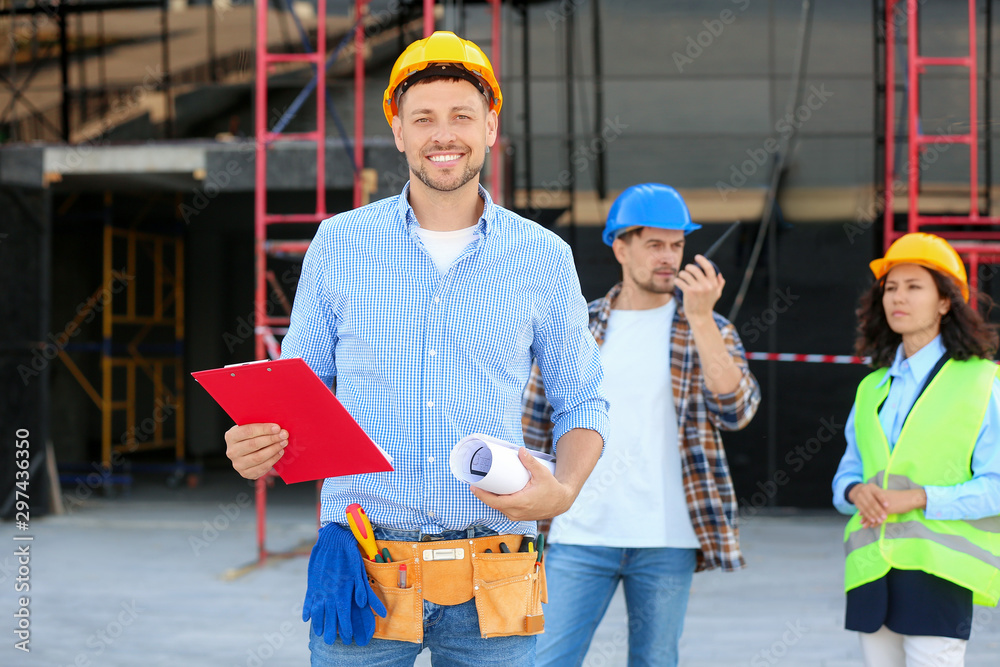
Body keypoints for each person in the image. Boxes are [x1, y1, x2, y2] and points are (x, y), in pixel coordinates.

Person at [224, 31, 609, 666]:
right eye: (423, 117)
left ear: (490, 126)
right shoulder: (340, 244)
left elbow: (582, 399)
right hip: (362, 565)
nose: (443, 134)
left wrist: (563, 490)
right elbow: (298, 389)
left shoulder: (543, 256)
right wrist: (256, 444)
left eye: (461, 116)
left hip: (496, 568)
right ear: (398, 132)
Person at [523, 183, 761, 667]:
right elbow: (531, 426)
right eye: (655, 244)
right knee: (543, 661)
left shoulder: (708, 328)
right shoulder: (579, 326)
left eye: (677, 245)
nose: (669, 257)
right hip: (577, 534)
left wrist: (701, 319)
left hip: (667, 538)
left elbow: (737, 410)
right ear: (620, 246)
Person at [832, 232, 1000, 667]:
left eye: (913, 286)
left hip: (938, 574)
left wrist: (920, 497)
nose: (897, 298)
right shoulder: (872, 388)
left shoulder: (983, 383)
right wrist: (854, 493)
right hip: (872, 572)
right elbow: (846, 474)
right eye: (890, 288)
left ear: (946, 302)